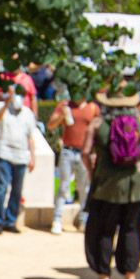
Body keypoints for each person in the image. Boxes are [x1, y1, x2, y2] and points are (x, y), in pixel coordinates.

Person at [82, 91, 140, 279]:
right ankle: (130, 275)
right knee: (132, 229)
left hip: (107, 185)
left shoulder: (98, 124)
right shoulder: (139, 122)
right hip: (135, 185)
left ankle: (103, 275)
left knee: (104, 230)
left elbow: (85, 152)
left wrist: (93, 173)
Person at [48, 87, 100, 233]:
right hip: (68, 151)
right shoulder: (65, 105)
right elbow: (51, 125)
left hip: (86, 152)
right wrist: (62, 117)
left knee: (85, 188)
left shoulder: (93, 107)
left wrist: (95, 152)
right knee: (63, 186)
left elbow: (98, 131)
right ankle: (57, 219)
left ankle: (84, 220)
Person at [0, 81, 38, 234]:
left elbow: (30, 137)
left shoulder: (28, 113)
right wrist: (6, 103)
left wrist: (33, 157)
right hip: (3, 154)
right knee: (1, 189)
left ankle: (10, 221)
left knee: (17, 191)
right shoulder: (0, 108)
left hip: (21, 156)